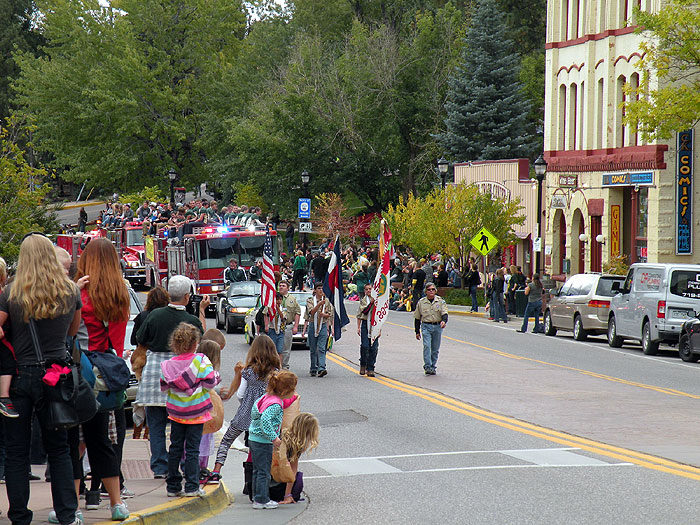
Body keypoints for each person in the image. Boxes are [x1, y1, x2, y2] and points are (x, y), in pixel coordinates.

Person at [0, 234, 82, 525]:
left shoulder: (10, 293)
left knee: (16, 450)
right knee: (59, 448)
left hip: (20, 375)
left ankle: (20, 515)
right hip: (55, 376)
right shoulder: (70, 291)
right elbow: (72, 332)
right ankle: (66, 513)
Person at [72, 237, 130, 519]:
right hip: (106, 374)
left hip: (79, 372)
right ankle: (115, 503)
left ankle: (72, 506)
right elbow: (117, 347)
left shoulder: (80, 296)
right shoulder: (121, 296)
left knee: (73, 441)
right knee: (103, 441)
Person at [135, 275, 208, 479]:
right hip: (183, 372)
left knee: (156, 424)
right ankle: (184, 463)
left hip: (155, 372)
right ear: (186, 297)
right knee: (183, 423)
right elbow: (202, 339)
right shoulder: (191, 320)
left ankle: (159, 466)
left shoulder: (155, 315)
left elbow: (140, 338)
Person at [161, 323, 220, 498]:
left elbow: (164, 386)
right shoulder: (200, 360)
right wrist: (199, 384)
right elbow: (210, 382)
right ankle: (192, 485)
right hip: (196, 412)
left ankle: (173, 486)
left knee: (175, 447)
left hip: (176, 412)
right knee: (192, 449)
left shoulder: (168, 365)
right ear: (195, 344)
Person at [209, 335, 279, 483]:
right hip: (267, 415)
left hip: (246, 414)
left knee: (227, 440)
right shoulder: (276, 373)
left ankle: (216, 470)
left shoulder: (247, 372)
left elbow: (240, 395)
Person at [248, 371, 298, 510]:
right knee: (264, 471)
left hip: (253, 437)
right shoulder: (276, 404)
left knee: (257, 470)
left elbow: (255, 410)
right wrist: (273, 437)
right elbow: (265, 419)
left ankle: (257, 497)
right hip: (263, 441)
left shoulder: (266, 397)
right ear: (285, 390)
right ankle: (262, 500)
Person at [276, 412, 320, 505]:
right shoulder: (295, 445)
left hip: (269, 477)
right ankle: (286, 494)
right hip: (277, 484)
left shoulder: (283, 434)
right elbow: (291, 472)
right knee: (298, 479)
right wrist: (287, 495)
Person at [414, 284, 448, 375]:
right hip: (426, 326)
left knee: (435, 348)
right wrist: (417, 331)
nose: (431, 291)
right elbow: (417, 317)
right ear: (426, 292)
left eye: (433, 289)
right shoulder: (421, 302)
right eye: (429, 289)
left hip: (437, 326)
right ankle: (427, 366)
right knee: (427, 346)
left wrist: (444, 321)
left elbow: (444, 313)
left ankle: (433, 366)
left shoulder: (440, 301)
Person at [303, 283, 333, 378]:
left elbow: (330, 314)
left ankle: (321, 368)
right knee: (313, 348)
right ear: (315, 290)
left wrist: (325, 315)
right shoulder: (310, 300)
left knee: (321, 347)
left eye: (322, 288)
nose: (321, 290)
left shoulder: (326, 301)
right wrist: (319, 304)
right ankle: (313, 368)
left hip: (323, 325)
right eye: (319, 288)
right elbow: (311, 312)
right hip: (312, 324)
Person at [356, 283, 379, 377]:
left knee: (374, 347)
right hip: (365, 324)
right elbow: (363, 312)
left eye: (370, 289)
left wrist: (379, 329)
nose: (369, 291)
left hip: (374, 325)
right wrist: (358, 327)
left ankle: (371, 367)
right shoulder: (364, 301)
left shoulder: (377, 301)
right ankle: (363, 363)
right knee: (365, 346)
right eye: (367, 289)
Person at [278, 281, 300, 370]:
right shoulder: (274, 298)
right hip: (277, 326)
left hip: (287, 326)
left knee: (286, 348)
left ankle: (284, 366)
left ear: (288, 288)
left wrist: (295, 326)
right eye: (280, 286)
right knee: (276, 347)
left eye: (283, 286)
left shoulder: (292, 299)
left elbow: (297, 313)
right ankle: (276, 365)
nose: (281, 287)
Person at [265, 293, 287, 367]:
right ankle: (271, 366)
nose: (278, 301)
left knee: (280, 350)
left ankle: (279, 366)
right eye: (277, 299)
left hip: (280, 331)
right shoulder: (270, 307)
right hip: (272, 330)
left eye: (280, 299)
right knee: (271, 349)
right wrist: (266, 325)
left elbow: (283, 317)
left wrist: (278, 309)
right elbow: (265, 314)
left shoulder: (283, 308)